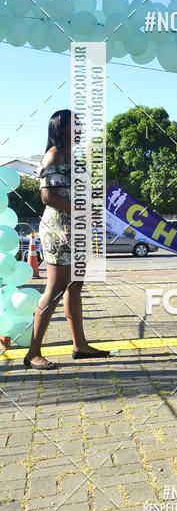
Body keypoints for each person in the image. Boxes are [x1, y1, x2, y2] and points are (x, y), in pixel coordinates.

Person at [26, 110, 110, 371]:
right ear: (61, 128)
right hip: (59, 230)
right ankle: (32, 353)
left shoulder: (71, 157)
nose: (81, 127)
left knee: (75, 285)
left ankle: (80, 346)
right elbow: (48, 197)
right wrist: (84, 210)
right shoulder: (53, 155)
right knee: (54, 289)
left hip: (75, 228)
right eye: (75, 124)